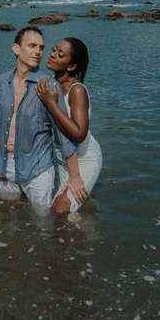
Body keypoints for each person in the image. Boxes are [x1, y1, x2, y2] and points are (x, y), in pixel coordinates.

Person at [0, 27, 78, 211]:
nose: (38, 52)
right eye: (32, 46)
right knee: (7, 215)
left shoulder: (49, 86)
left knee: (43, 226)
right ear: (16, 48)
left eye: (41, 47)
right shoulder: (2, 82)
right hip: (6, 166)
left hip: (38, 171)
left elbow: (63, 134)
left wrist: (74, 176)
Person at [35, 37, 102, 218]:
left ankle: (80, 242)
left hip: (84, 159)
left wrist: (52, 104)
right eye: (54, 49)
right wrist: (7, 84)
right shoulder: (50, 83)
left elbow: (79, 135)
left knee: (59, 212)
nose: (53, 55)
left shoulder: (77, 91)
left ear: (71, 67)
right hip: (63, 159)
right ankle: (85, 220)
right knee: (67, 211)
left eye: (60, 54)